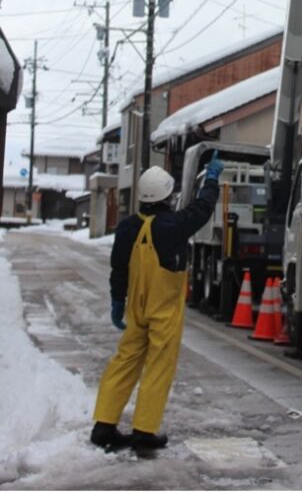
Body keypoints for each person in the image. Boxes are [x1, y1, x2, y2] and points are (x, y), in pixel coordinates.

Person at [90, 153, 224, 452]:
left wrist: (116, 301)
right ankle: (144, 430)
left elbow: (119, 269)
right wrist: (212, 179)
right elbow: (201, 209)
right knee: (158, 367)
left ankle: (104, 425)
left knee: (124, 363)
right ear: (166, 196)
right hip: (164, 310)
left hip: (135, 310)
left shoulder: (126, 228)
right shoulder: (173, 225)